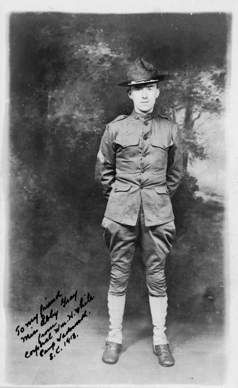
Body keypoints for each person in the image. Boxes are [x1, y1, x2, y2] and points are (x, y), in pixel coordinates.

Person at [95, 57, 183, 367]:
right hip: (120, 213)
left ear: (157, 91)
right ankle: (114, 337)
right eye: (138, 89)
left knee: (156, 276)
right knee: (119, 274)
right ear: (130, 94)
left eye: (150, 88)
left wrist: (156, 196)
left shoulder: (170, 129)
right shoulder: (115, 128)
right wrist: (122, 197)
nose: (144, 94)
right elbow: (104, 170)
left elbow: (176, 173)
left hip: (158, 214)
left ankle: (160, 339)